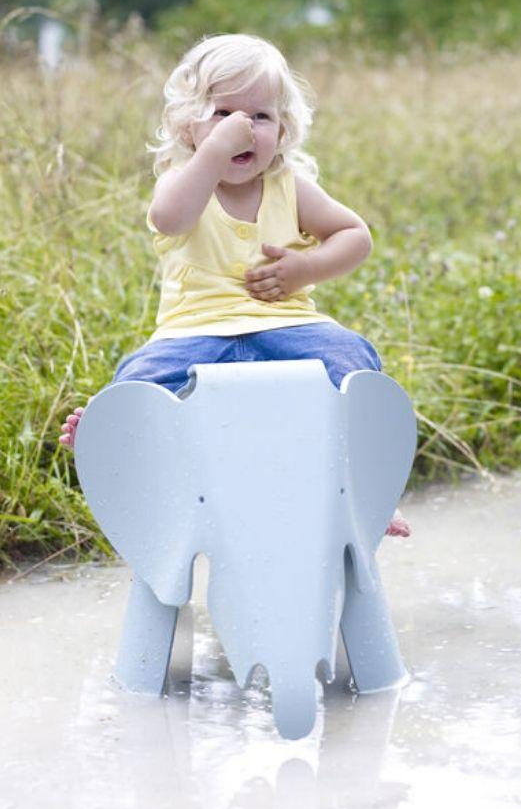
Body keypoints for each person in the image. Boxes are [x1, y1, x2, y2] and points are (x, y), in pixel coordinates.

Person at [60, 33, 410, 537]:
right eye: (223, 115)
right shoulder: (181, 182)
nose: (241, 130)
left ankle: (366, 494)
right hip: (194, 334)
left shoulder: (289, 187)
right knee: (140, 381)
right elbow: (170, 218)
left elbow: (355, 235)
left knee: (353, 364)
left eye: (259, 117)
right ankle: (111, 436)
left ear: (284, 129)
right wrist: (212, 154)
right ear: (188, 126)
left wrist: (304, 269)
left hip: (288, 327)